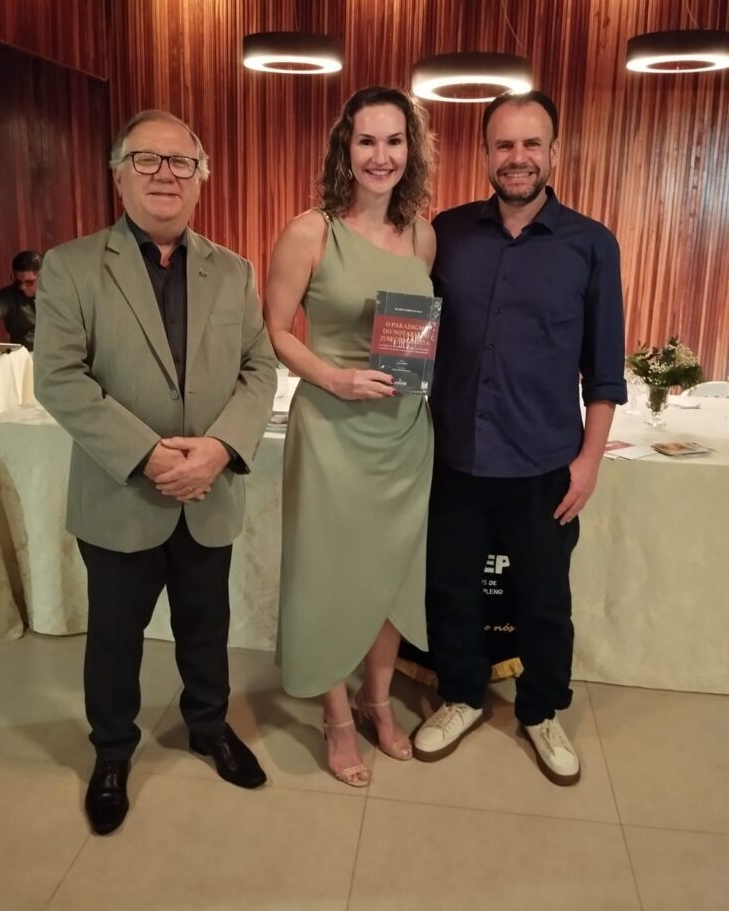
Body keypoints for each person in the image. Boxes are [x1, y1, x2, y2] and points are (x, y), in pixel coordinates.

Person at [34, 110, 276, 834]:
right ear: (119, 174)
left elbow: (258, 368)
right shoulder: (72, 266)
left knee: (206, 625)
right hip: (122, 494)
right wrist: (149, 455)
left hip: (209, 490)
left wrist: (219, 449)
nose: (165, 174)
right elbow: (59, 377)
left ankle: (208, 725)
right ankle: (112, 751)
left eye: (181, 162)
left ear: (202, 178)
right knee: (115, 637)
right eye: (147, 159)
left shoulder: (233, 270)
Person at [414, 90, 627, 785]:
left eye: (531, 143)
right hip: (454, 455)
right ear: (484, 154)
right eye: (503, 144)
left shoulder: (590, 244)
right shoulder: (444, 234)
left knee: (543, 600)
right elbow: (411, 340)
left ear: (553, 153)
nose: (517, 157)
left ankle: (540, 711)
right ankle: (461, 695)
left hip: (545, 463)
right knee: (450, 589)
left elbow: (604, 370)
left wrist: (589, 462)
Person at [264, 86, 436, 787]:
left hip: (404, 432)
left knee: (391, 574)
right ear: (345, 147)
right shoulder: (310, 232)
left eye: (394, 141)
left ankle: (377, 701)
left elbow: (420, 330)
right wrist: (333, 378)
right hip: (331, 432)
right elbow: (276, 331)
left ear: (410, 151)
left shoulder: (422, 235)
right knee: (329, 572)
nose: (380, 156)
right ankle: (336, 717)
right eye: (367, 140)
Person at [0, 249, 42, 350]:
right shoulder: (9, 295)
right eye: (18, 281)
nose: (22, 287)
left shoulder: (59, 292)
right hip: (26, 355)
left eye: (29, 282)